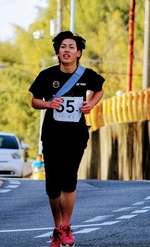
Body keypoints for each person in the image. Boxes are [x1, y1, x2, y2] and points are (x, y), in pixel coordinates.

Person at [29, 31, 105, 247]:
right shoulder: (46, 75)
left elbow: (99, 90)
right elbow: (35, 101)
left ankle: (66, 226)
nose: (67, 50)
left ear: (78, 52)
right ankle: (56, 226)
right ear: (57, 51)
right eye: (63, 46)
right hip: (52, 134)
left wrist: (91, 103)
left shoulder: (87, 74)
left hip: (76, 134)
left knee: (68, 180)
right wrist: (48, 104)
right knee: (52, 184)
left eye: (71, 47)